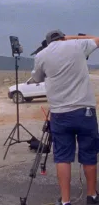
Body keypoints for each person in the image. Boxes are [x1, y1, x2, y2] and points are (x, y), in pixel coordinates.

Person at [31, 30, 99, 205]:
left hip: (60, 113)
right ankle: (91, 195)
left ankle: (66, 201)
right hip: (85, 111)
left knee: (62, 157)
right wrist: (73, 37)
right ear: (63, 37)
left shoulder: (42, 55)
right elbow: (97, 40)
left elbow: (37, 77)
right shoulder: (77, 45)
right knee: (89, 155)